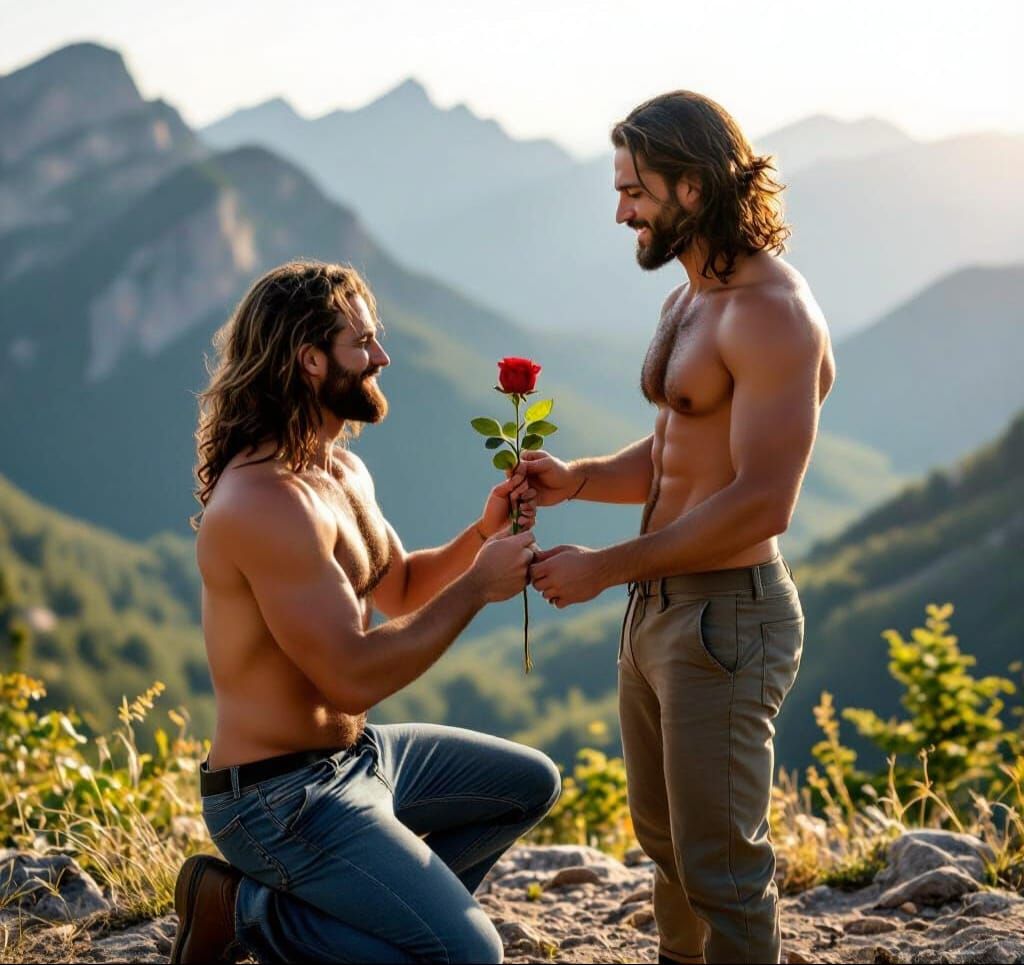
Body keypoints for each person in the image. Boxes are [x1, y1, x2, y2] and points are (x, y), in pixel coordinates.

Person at [521, 91, 836, 965]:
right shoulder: (690, 297)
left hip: (726, 614)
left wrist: (606, 566)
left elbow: (763, 499)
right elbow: (675, 451)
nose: (621, 210)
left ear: (692, 189)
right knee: (666, 850)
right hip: (658, 615)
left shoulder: (772, 311)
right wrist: (577, 479)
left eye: (635, 191)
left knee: (721, 867)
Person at [170, 260, 560, 965]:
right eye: (365, 344)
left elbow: (402, 586)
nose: (383, 356)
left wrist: (484, 533)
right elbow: (349, 678)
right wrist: (477, 586)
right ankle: (245, 909)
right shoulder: (264, 503)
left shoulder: (339, 468)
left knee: (529, 784)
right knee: (474, 958)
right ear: (311, 360)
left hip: (360, 761)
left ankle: (387, 924)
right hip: (276, 800)